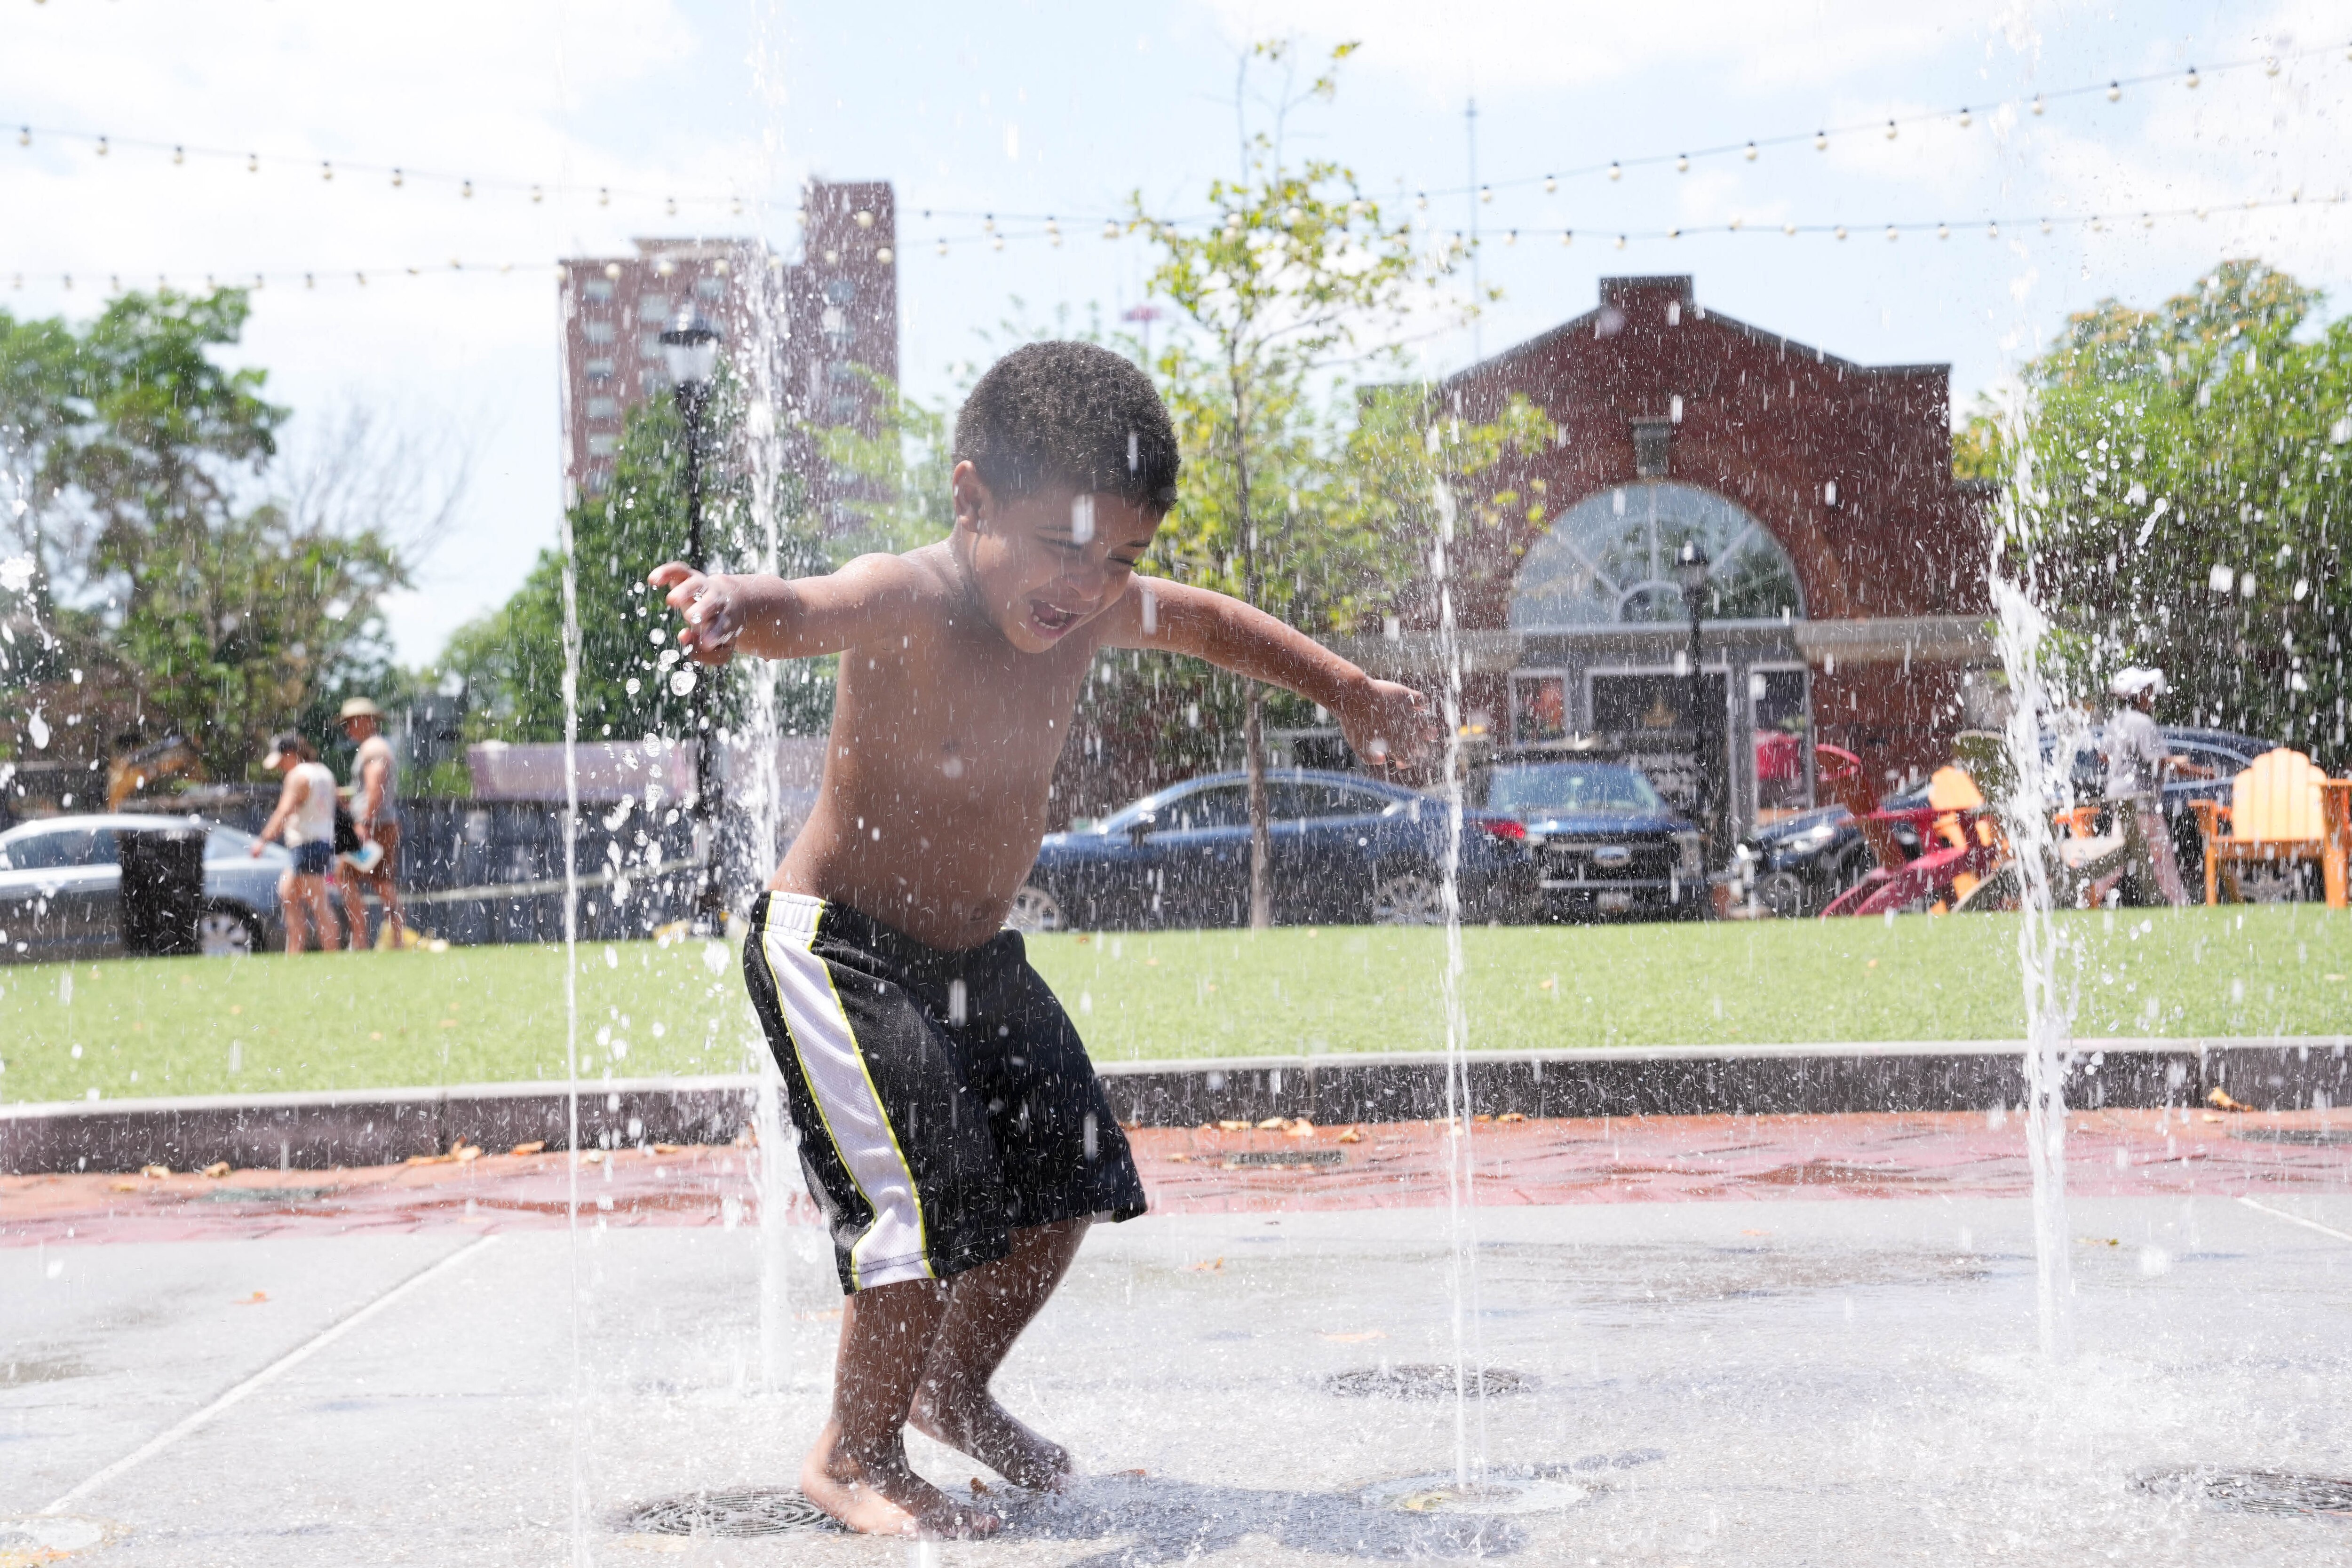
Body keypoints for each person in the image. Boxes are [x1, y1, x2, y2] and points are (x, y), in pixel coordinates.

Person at [648, 341, 1436, 1538]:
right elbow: (807, 606)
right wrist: (733, 607)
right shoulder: (911, 593)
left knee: (1065, 1173)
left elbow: (1220, 628)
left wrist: (1349, 694)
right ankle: (852, 1451)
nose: (1088, 583)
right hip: (838, 948)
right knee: (916, 1204)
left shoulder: (1094, 613)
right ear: (972, 501)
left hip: (970, 959)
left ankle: (955, 1391)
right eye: (1063, 546)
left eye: (1122, 556)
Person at [2100, 667, 2212, 907]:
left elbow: (2103, 756)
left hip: (2117, 797)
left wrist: (2126, 761)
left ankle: (2090, 893)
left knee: (2119, 854)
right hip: (2141, 800)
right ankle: (2180, 904)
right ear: (2138, 695)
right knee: (2162, 857)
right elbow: (2158, 761)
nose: (2152, 697)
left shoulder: (2116, 723)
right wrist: (2202, 773)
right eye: (2149, 692)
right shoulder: (2143, 723)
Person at [250, 731, 345, 953]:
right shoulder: (324, 773)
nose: (282, 766)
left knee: (318, 903)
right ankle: (296, 950)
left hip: (306, 844)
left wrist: (263, 840)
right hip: (321, 842)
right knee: (289, 895)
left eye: (282, 760)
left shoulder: (298, 776)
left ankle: (329, 952)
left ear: (291, 753)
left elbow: (285, 810)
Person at [335, 697, 407, 950]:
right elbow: (370, 789)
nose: (347, 729)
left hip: (373, 826)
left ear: (365, 721)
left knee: (344, 876)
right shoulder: (379, 746)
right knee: (383, 883)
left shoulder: (373, 748)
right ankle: (396, 940)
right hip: (383, 823)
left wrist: (364, 823)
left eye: (350, 723)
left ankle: (360, 940)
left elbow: (376, 785)